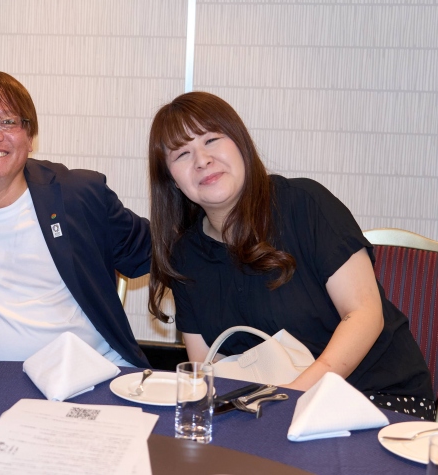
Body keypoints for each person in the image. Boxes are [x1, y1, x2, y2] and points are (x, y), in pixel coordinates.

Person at [147, 91, 435, 419]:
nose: (202, 160)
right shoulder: (185, 257)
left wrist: (288, 398)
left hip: (374, 397)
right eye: (182, 154)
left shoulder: (304, 204)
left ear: (240, 143)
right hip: (266, 411)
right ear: (171, 179)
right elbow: (207, 368)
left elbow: (364, 314)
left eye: (211, 139)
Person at [0, 70, 151, 367]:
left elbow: (161, 253)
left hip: (99, 376)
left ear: (30, 136)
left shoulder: (78, 197)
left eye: (8, 121)